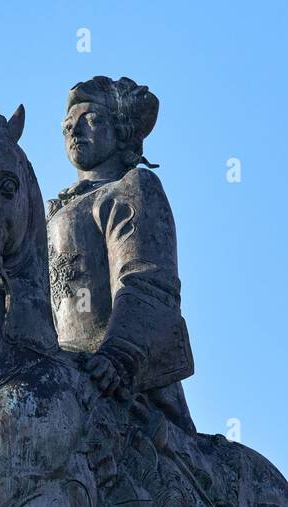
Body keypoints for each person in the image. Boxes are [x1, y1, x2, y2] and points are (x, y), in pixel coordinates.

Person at [47, 75, 195, 434]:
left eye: (90, 121)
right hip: (58, 376)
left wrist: (119, 356)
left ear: (121, 131)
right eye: (68, 125)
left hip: (119, 383)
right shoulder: (47, 213)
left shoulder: (132, 188)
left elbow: (146, 282)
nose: (74, 131)